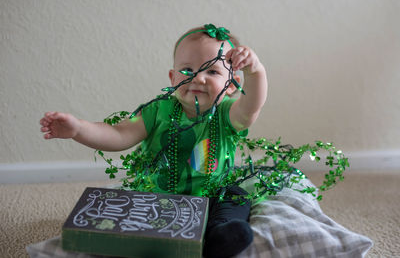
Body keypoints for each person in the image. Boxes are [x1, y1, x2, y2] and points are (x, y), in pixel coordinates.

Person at [40, 24, 268, 258]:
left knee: (236, 196)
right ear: (172, 78)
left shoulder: (227, 114)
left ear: (231, 84)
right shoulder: (158, 111)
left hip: (211, 194)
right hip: (157, 195)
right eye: (188, 70)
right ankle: (158, 237)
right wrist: (78, 128)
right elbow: (118, 135)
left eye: (212, 72)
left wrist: (255, 71)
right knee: (134, 205)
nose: (198, 78)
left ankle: (219, 236)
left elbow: (251, 107)